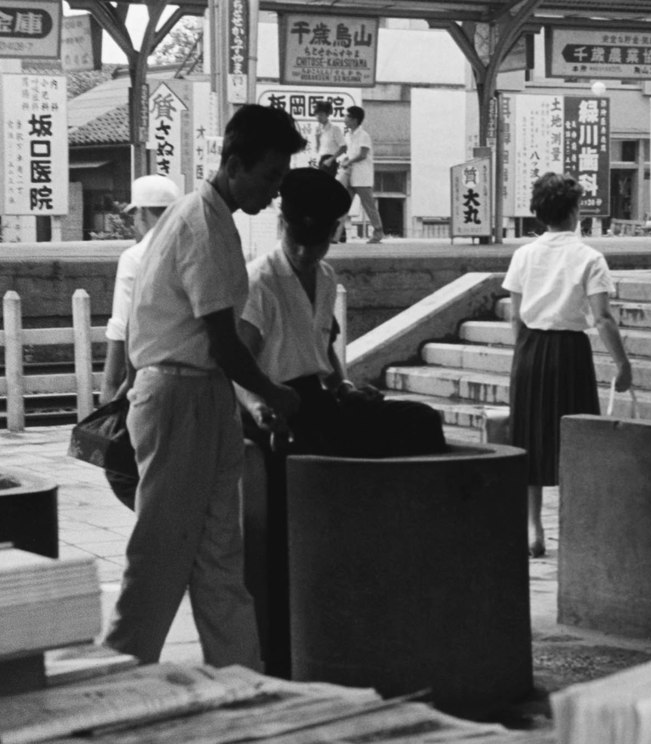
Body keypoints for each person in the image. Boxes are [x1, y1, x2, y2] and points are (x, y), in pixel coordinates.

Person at [103, 103, 305, 670]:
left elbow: (219, 347)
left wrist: (247, 393)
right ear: (235, 164)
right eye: (269, 178)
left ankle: (243, 676)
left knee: (219, 552)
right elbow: (222, 340)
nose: (274, 193)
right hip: (177, 395)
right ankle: (121, 667)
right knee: (160, 551)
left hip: (203, 395)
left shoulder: (211, 219)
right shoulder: (199, 223)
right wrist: (270, 390)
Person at [239, 167, 444, 459]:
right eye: (297, 241)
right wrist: (259, 407)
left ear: (332, 232)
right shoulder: (258, 281)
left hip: (317, 401)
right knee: (325, 444)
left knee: (420, 420)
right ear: (283, 224)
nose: (303, 253)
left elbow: (323, 347)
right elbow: (237, 364)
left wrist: (345, 388)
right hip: (275, 400)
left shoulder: (325, 277)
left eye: (315, 244)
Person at [503, 172, 633, 558]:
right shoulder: (589, 257)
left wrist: (522, 354)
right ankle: (575, 525)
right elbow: (603, 319)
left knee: (528, 436)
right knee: (575, 437)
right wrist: (622, 364)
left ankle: (532, 529)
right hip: (569, 353)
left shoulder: (523, 254)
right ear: (575, 211)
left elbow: (514, 316)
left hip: (528, 349)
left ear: (540, 213)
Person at [100, 174, 181, 405]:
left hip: (149, 377)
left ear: (142, 213)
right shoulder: (195, 248)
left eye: (135, 213)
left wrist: (110, 384)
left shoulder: (135, 257)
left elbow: (122, 325)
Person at [339, 105, 385, 243]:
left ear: (354, 119)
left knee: (368, 206)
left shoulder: (363, 135)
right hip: (351, 176)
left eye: (347, 116)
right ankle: (335, 234)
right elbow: (352, 154)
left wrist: (349, 161)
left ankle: (378, 232)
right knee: (343, 205)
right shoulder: (350, 135)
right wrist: (345, 160)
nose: (344, 119)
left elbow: (363, 154)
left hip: (363, 178)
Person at [310, 99, 345, 179]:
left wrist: (331, 159)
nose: (319, 117)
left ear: (327, 115)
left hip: (330, 162)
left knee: (327, 187)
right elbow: (318, 150)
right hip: (321, 160)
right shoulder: (318, 129)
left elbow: (343, 147)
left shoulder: (334, 129)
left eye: (321, 114)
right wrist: (317, 138)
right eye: (317, 114)